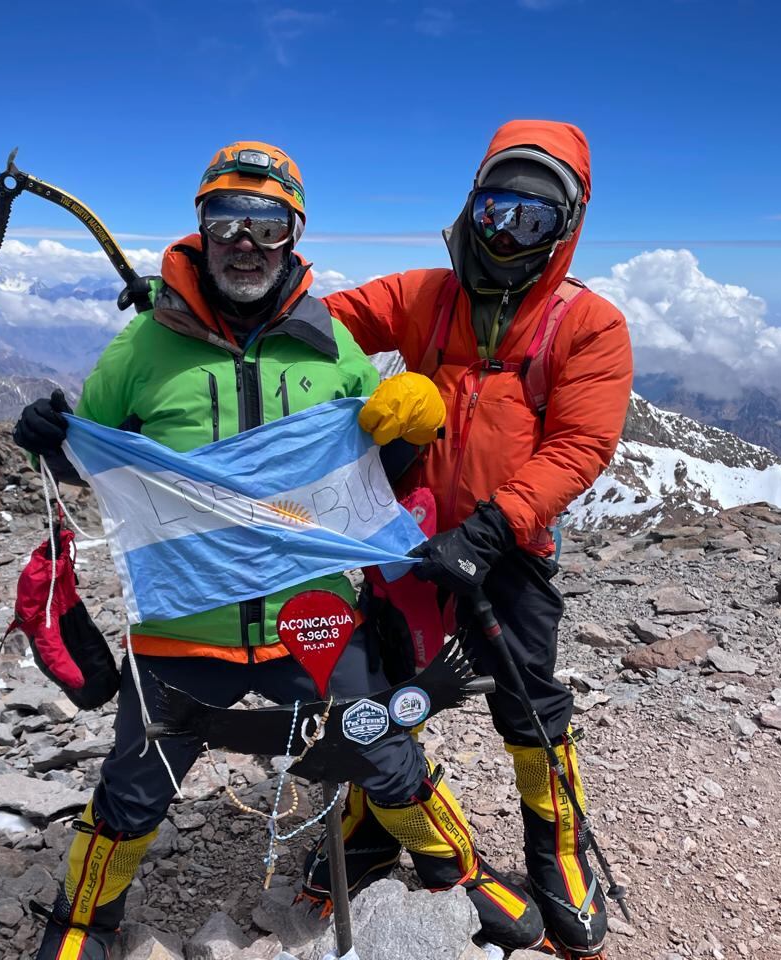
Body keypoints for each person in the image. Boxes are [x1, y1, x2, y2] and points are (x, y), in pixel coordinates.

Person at [12, 141, 549, 960]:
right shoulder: (139, 351)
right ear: (201, 227)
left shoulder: (333, 347)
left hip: (317, 617)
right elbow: (98, 473)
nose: (245, 241)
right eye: (226, 218)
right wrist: (52, 441)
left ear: (294, 231)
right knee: (135, 785)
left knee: (385, 751)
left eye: (267, 221)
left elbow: (372, 478)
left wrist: (409, 427)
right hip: (187, 620)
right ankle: (84, 919)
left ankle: (458, 873)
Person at [310, 120, 634, 959]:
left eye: (529, 219)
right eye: (494, 209)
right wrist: (214, 309)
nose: (502, 234)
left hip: (508, 546)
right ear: (470, 204)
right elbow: (317, 325)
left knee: (527, 698)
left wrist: (494, 526)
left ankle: (555, 851)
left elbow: (580, 445)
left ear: (563, 229)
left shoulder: (587, 325)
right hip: (409, 534)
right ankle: (379, 818)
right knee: (383, 684)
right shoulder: (426, 296)